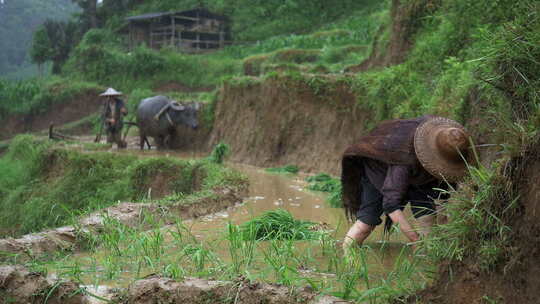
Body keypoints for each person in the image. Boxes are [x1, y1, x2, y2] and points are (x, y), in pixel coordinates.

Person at [340, 115, 472, 250]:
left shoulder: (445, 135)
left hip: (420, 175)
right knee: (366, 224)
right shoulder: (404, 157)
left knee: (428, 219)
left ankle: (428, 260)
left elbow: (444, 200)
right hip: (380, 171)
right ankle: (348, 256)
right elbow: (390, 204)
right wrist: (414, 239)